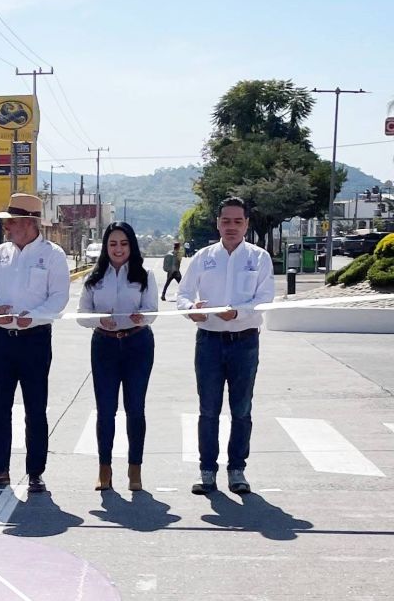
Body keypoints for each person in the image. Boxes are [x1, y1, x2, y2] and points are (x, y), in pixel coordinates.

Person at [176, 197, 275, 495]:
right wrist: (191, 308)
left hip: (244, 343)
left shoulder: (259, 258)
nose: (231, 226)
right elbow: (182, 294)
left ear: (246, 224)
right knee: (208, 409)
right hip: (209, 342)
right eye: (226, 221)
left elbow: (264, 299)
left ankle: (237, 471)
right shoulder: (203, 257)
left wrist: (239, 313)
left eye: (238, 221)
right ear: (217, 222)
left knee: (241, 410)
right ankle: (207, 471)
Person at [0, 193, 70, 493]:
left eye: (11, 222)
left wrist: (36, 317)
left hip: (35, 339)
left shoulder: (53, 255)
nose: (6, 228)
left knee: (35, 408)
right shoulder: (0, 253)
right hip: (2, 338)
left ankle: (35, 472)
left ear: (29, 223)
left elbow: (59, 297)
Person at [77, 222, 157, 492]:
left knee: (135, 408)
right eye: (113, 244)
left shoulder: (144, 275)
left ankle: (135, 470)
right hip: (104, 345)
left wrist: (141, 317)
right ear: (105, 247)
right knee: (106, 410)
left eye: (123, 243)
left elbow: (153, 311)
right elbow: (82, 315)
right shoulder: (95, 277)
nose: (118, 249)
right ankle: (104, 469)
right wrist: (99, 320)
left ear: (131, 245)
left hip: (138, 344)